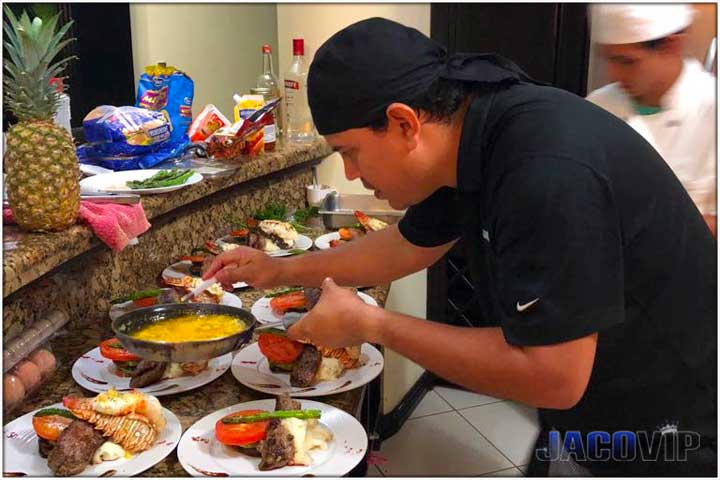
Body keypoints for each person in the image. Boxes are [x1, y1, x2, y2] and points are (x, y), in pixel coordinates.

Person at [205, 18, 716, 476]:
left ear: (404, 123)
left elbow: (554, 375)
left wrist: (373, 323)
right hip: (592, 406)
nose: (353, 173)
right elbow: (407, 245)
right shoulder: (473, 131)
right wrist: (278, 270)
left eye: (351, 152)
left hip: (671, 426)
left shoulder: (544, 169)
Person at [587, 4, 717, 237]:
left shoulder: (711, 107)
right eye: (610, 59)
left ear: (671, 45)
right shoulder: (598, 106)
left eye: (627, 62)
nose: (614, 74)